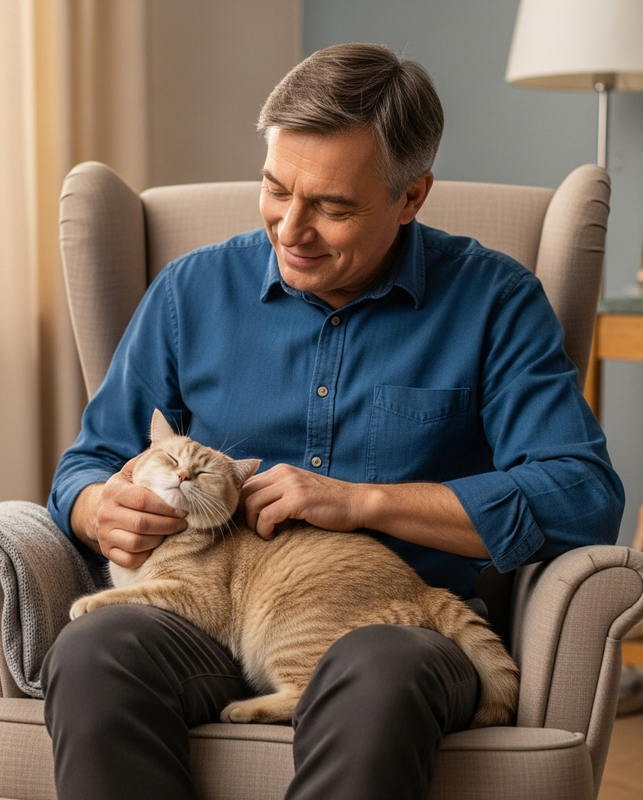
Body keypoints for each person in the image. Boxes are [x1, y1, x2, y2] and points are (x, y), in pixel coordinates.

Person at [41, 43, 624, 799]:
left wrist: (361, 501)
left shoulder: (494, 301)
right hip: (203, 615)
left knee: (378, 675)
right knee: (93, 653)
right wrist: (95, 508)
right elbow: (89, 462)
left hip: (400, 633)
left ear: (411, 198)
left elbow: (581, 495)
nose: (291, 228)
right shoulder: (190, 292)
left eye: (333, 206)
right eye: (276, 189)